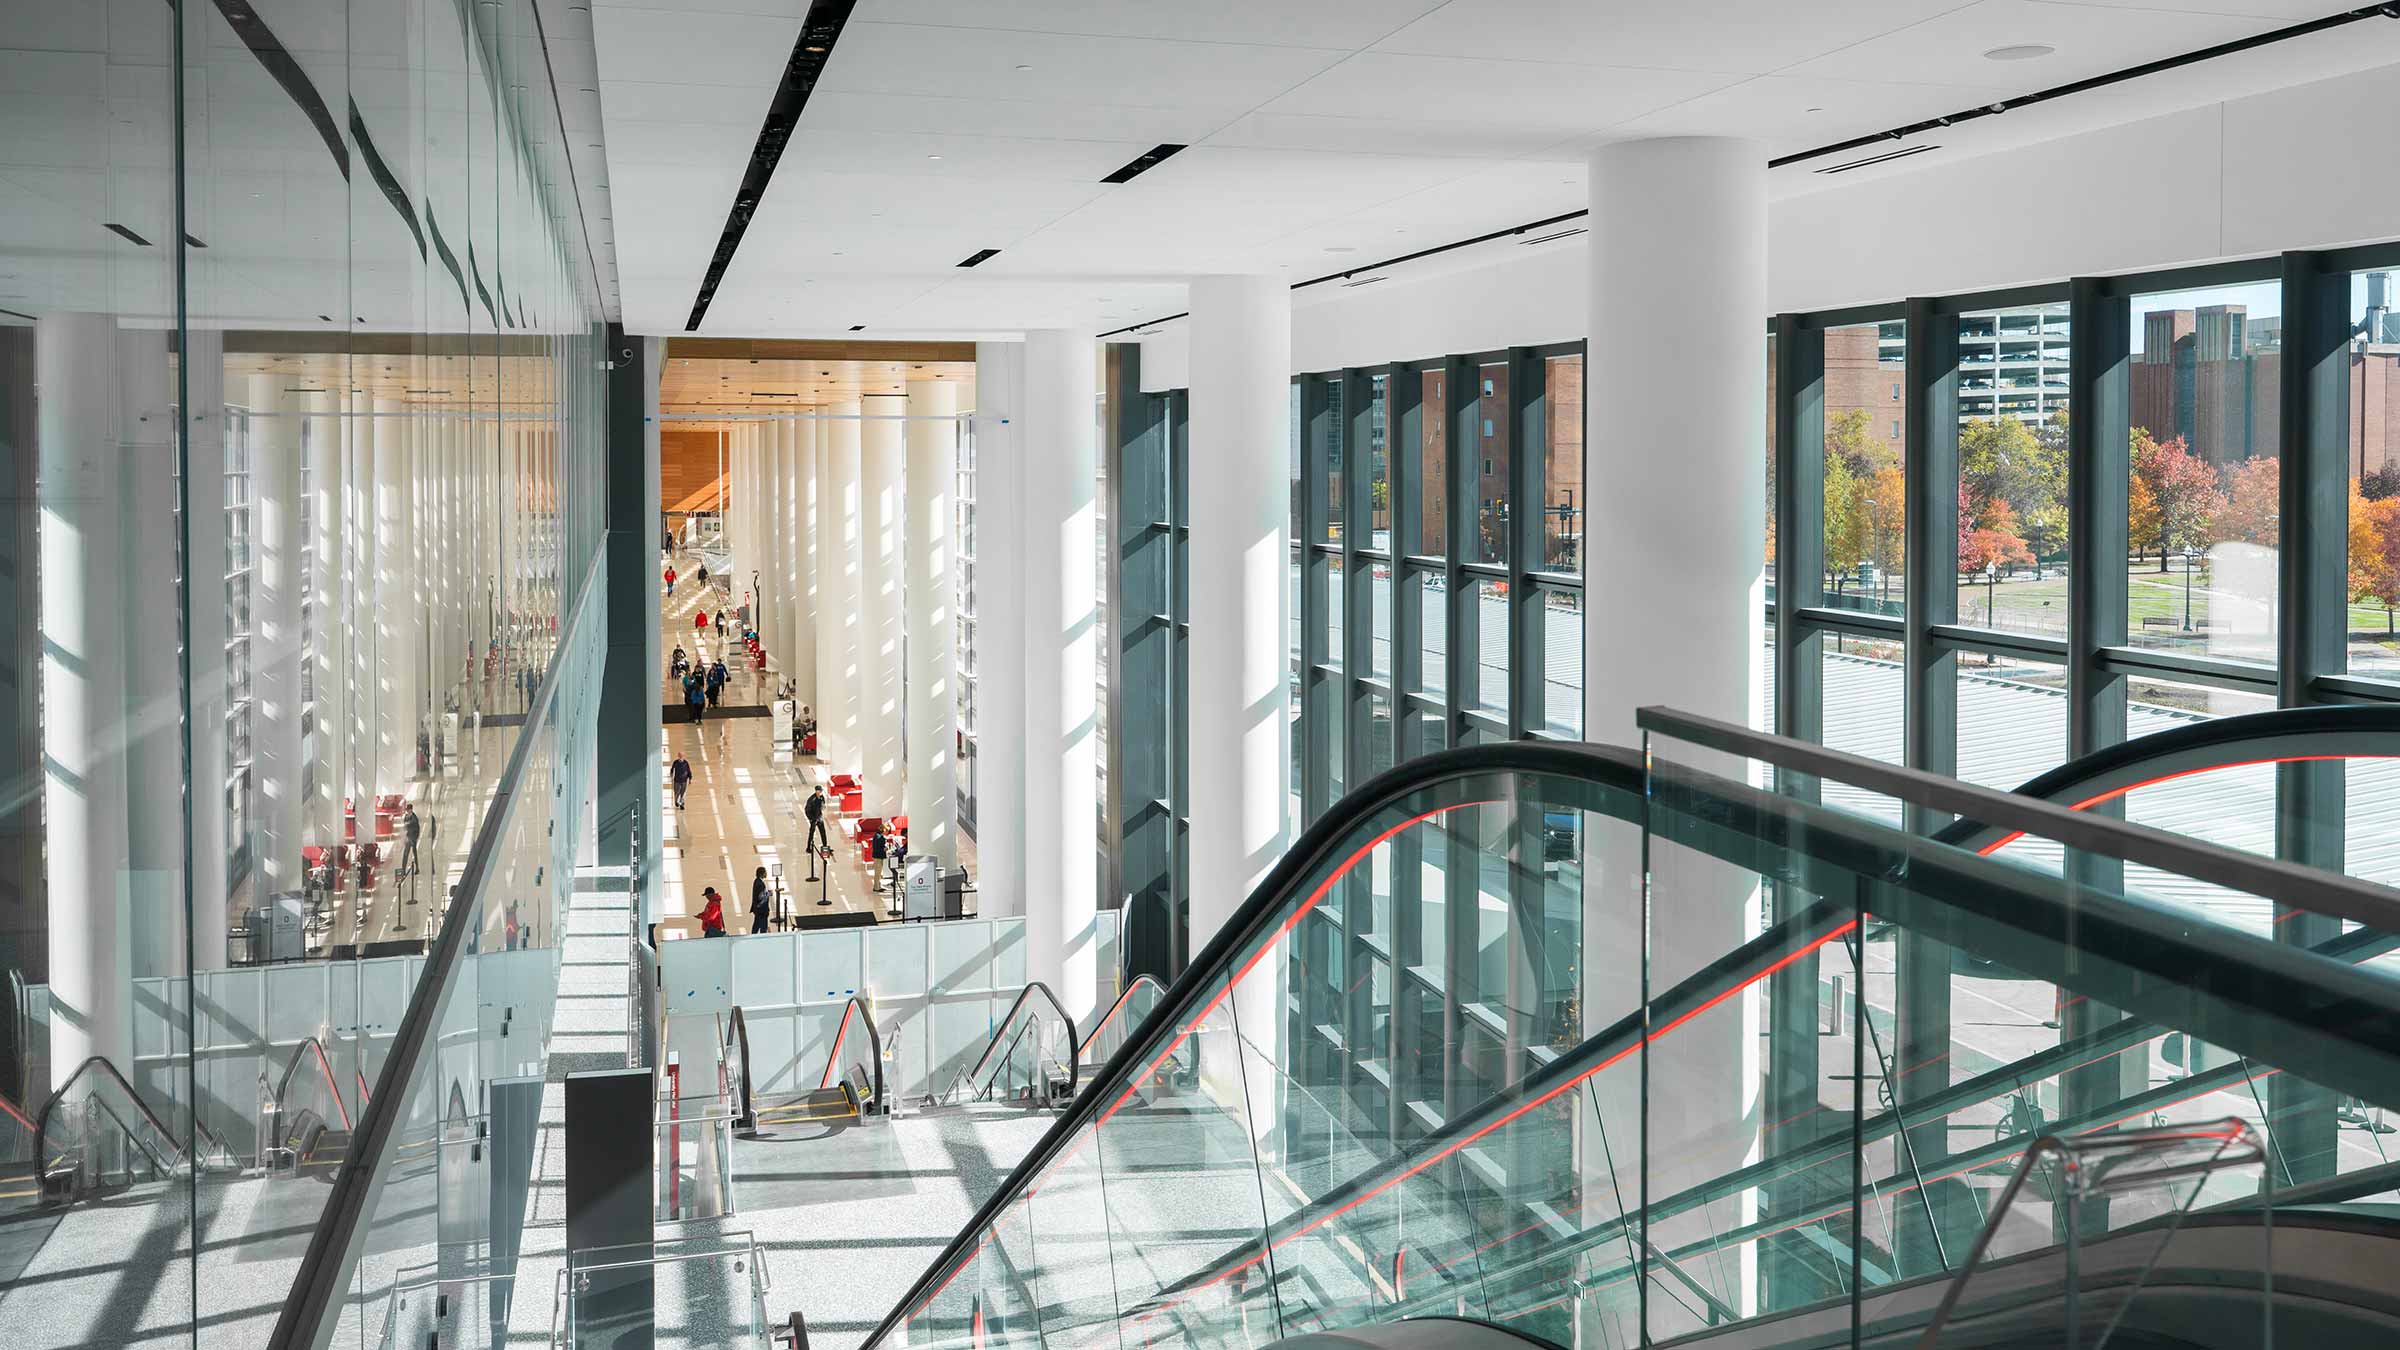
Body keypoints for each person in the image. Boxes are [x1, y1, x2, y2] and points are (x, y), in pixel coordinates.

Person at [397, 804, 423, 875]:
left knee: (414, 854)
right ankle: (403, 870)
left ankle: (417, 868)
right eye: (407, 810)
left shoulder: (415, 818)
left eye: (408, 810)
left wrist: (415, 839)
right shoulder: (406, 817)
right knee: (405, 854)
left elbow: (417, 829)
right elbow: (405, 826)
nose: (407, 811)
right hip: (408, 837)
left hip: (413, 838)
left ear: (411, 809)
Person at [750, 866, 771, 934]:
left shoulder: (756, 881)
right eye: (765, 872)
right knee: (763, 927)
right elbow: (761, 897)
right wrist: (769, 893)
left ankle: (752, 937)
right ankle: (763, 940)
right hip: (762, 910)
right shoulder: (760, 884)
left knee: (756, 925)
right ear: (761, 874)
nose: (766, 873)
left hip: (757, 909)